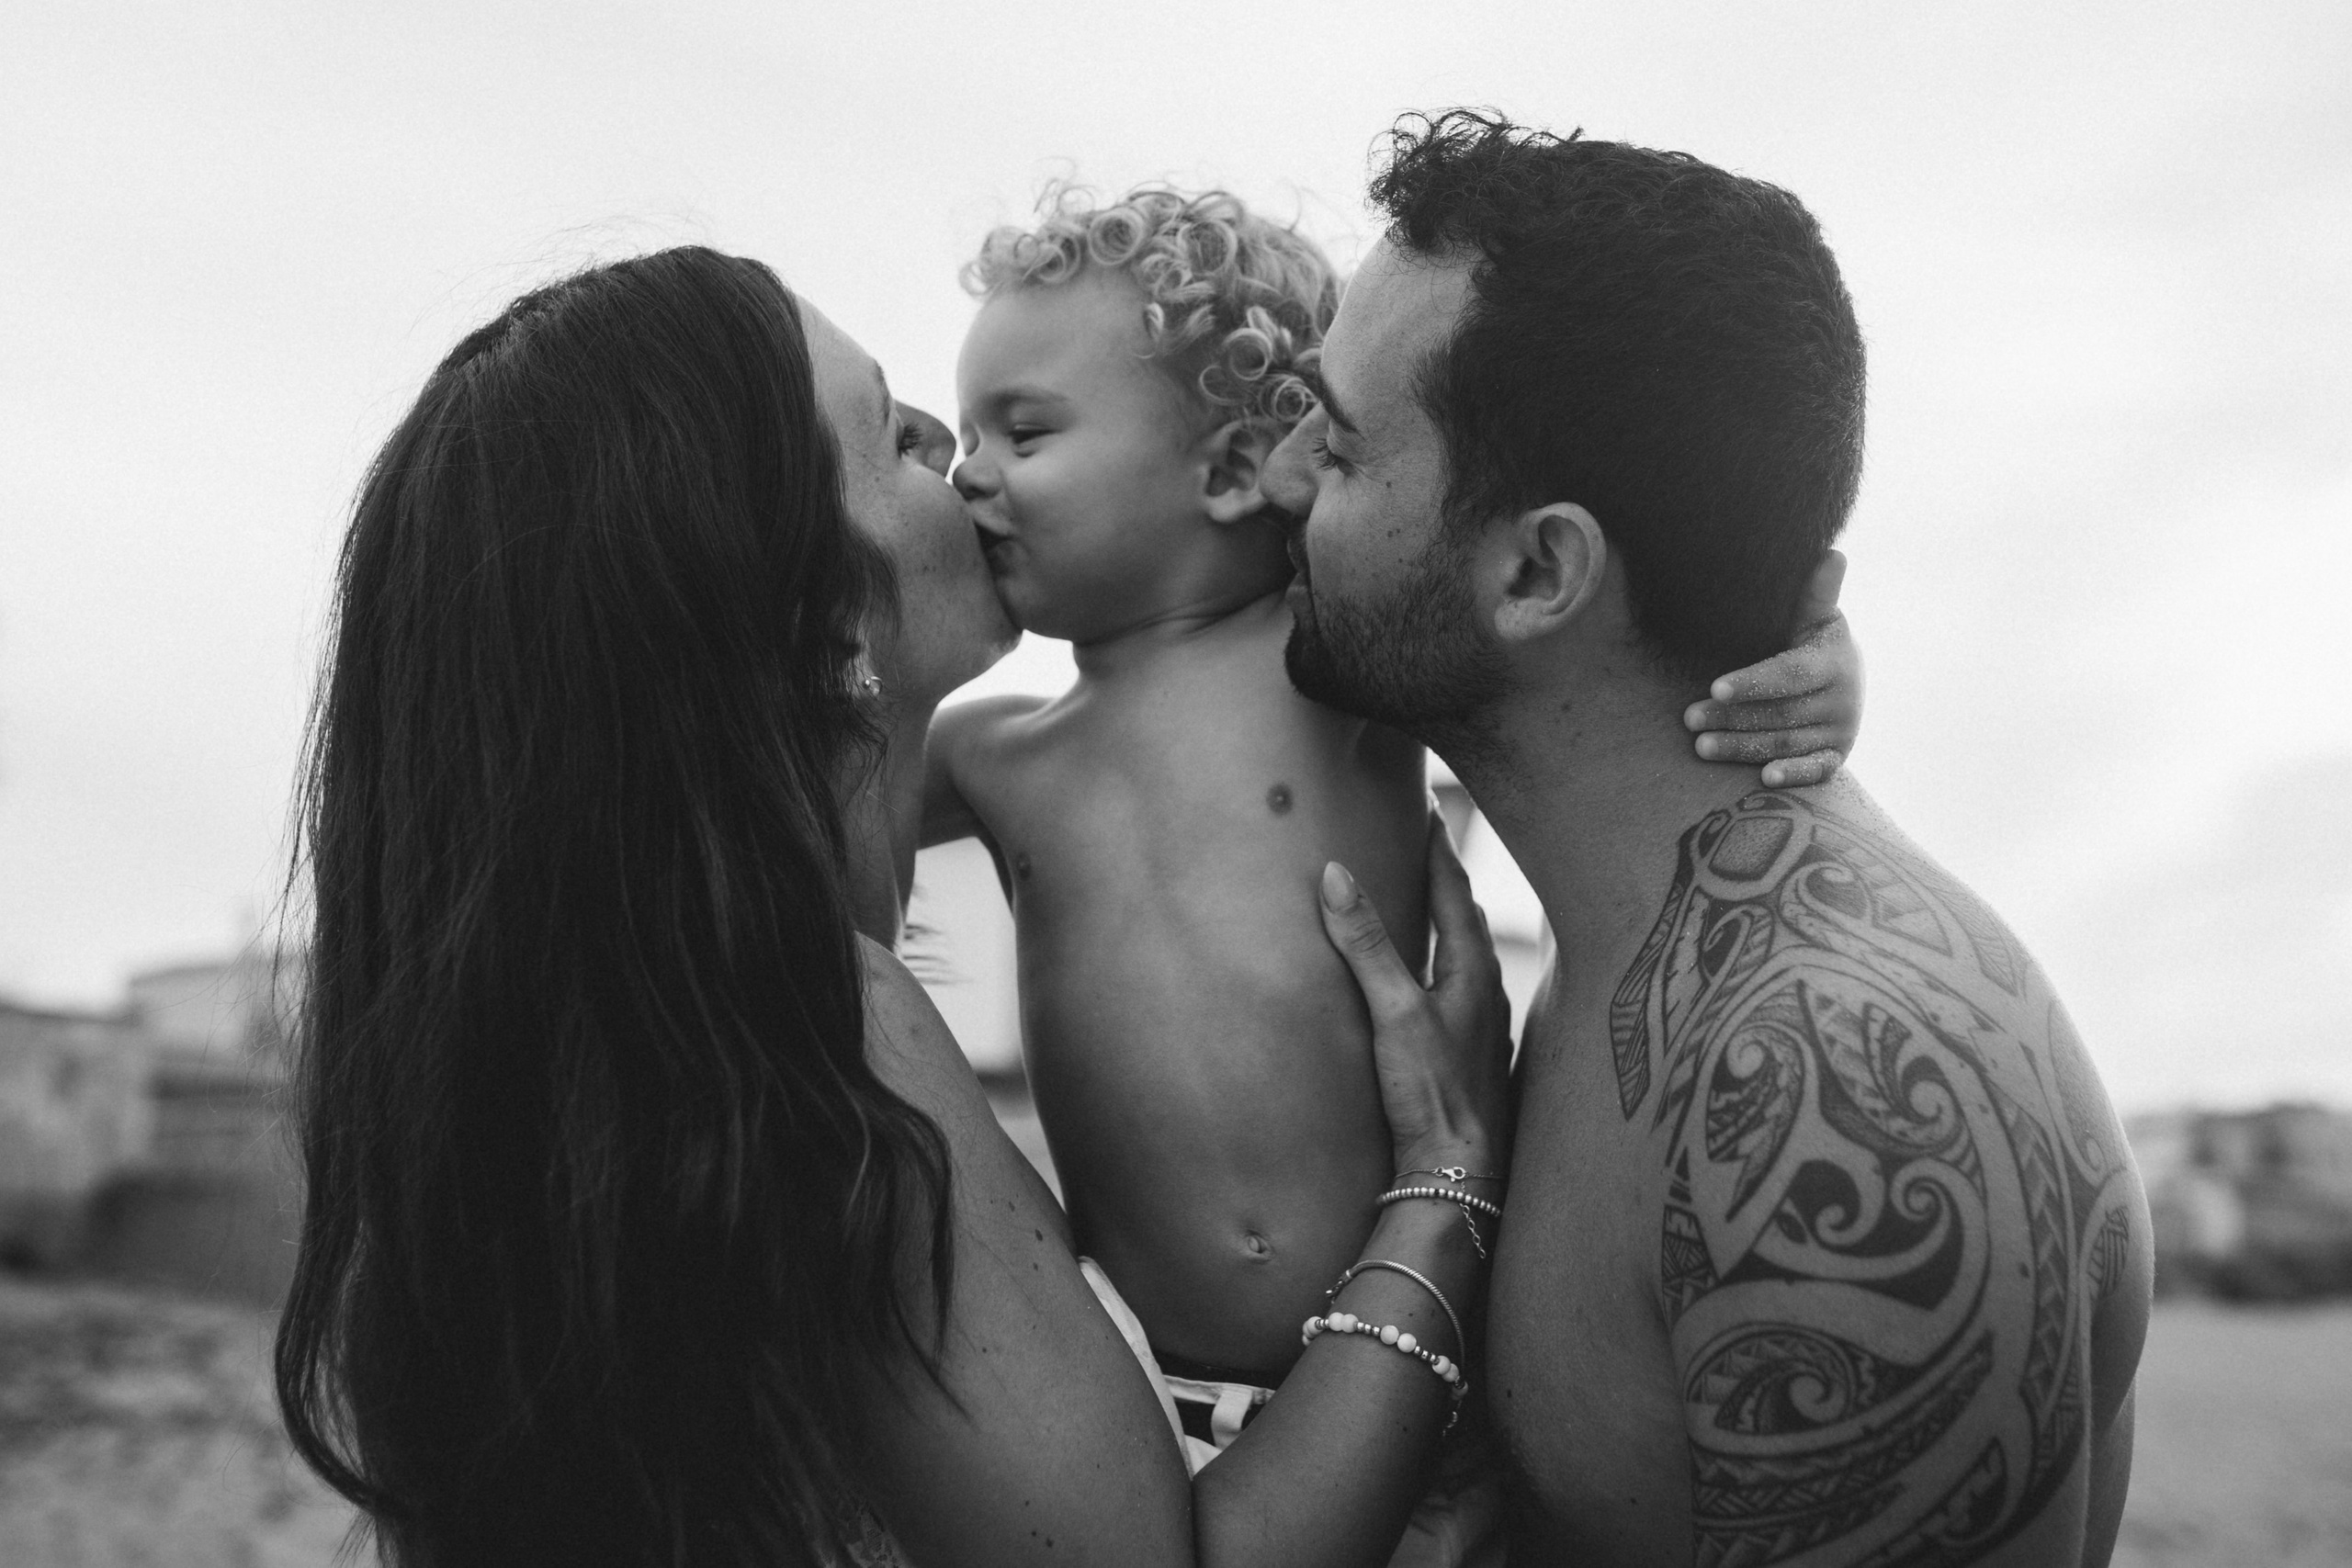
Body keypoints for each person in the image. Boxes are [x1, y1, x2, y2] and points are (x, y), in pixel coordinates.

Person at [273, 244, 1518, 1568]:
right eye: (892, 430)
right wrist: (1449, 1180)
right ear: (817, 614)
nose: (954, 445)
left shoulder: (647, 1052)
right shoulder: (826, 1028)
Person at [1262, 111, 2155, 1568]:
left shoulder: (1838, 1076)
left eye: (1346, 448)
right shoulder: (1651, 943)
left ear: (1541, 569)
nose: (1285, 478)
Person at [926, 189, 1866, 1532]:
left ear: (1236, 469)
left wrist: (1815, 654)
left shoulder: (1337, 671)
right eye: (961, 435)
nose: (970, 472)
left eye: (1023, 431)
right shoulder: (993, 755)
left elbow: (1598, 624)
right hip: (1145, 1388)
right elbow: (762, 770)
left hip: (1429, 1389)